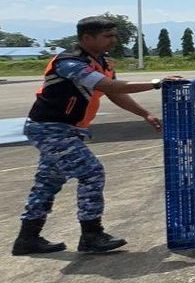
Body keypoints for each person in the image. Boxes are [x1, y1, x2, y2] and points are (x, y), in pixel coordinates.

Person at [11, 16, 181, 256]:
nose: (114, 40)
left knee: (47, 182)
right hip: (50, 129)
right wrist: (157, 83)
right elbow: (110, 87)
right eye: (107, 36)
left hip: (69, 129)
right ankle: (91, 234)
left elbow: (113, 93)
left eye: (114, 35)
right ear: (87, 38)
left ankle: (27, 239)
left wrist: (145, 113)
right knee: (91, 172)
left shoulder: (102, 62)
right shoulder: (69, 62)